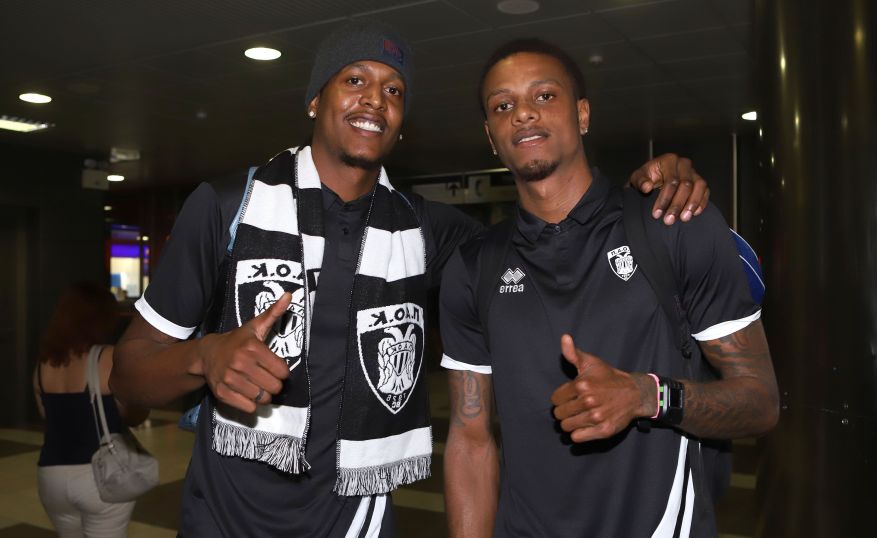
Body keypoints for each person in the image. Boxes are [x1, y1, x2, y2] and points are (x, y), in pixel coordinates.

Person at [110, 22, 713, 537]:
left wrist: (658, 186)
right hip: (223, 519)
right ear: (315, 100)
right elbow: (127, 377)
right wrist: (206, 357)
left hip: (358, 522)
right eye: (355, 80)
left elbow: (551, 236)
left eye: (393, 90)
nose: (375, 99)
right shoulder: (228, 209)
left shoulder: (428, 231)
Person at [439, 39, 780, 537]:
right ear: (491, 136)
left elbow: (760, 403)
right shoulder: (473, 266)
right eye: (503, 106)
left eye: (545, 96)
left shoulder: (673, 225)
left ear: (582, 115)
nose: (523, 114)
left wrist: (647, 395)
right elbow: (470, 438)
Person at [32, 282, 149, 538]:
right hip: (99, 477)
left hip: (51, 476)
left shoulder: (45, 363)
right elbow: (134, 415)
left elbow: (47, 417)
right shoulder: (108, 358)